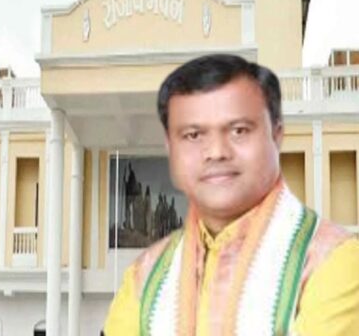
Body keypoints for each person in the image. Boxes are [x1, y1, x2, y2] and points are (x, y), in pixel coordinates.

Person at [103, 54, 359, 335]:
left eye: (239, 130)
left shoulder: (333, 261)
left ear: (277, 135)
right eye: (193, 135)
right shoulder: (143, 279)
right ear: (171, 148)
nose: (216, 152)